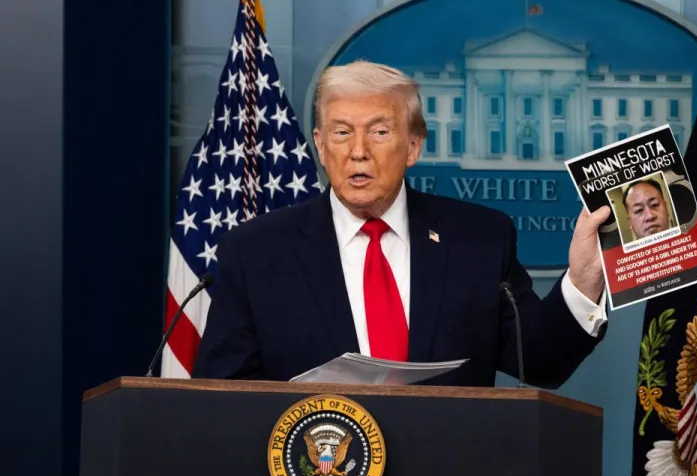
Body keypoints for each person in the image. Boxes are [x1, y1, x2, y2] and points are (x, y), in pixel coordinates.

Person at [192, 60, 611, 388]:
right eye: (341, 133)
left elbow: (539, 364)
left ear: (413, 147)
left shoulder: (480, 240)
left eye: (378, 132)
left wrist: (585, 277)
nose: (358, 151)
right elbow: (222, 393)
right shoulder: (256, 251)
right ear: (320, 146)